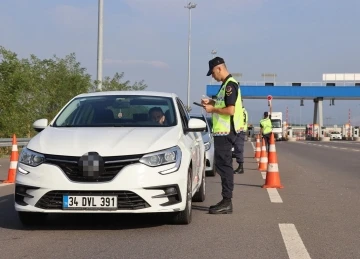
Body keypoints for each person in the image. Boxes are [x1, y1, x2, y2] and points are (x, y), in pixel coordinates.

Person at [201, 56, 244, 214]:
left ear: (219, 68)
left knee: (225, 167)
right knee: (223, 166)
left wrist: (212, 110)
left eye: (212, 72)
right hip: (222, 133)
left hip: (226, 133)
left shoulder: (229, 86)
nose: (213, 76)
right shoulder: (225, 86)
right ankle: (226, 200)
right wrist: (211, 103)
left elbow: (230, 110)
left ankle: (227, 202)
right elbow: (223, 104)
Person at [233, 100, 248, 174]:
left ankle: (240, 167)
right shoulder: (244, 111)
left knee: (239, 148)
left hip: (240, 131)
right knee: (238, 148)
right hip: (241, 130)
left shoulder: (240, 111)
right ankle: (240, 166)